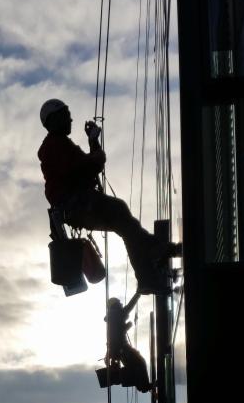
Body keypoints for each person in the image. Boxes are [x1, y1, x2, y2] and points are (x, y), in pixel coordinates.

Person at [37, 98, 181, 292]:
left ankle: (150, 268)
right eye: (66, 116)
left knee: (125, 226)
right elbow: (86, 166)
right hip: (76, 204)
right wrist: (94, 147)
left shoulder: (61, 145)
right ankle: (156, 254)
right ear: (54, 120)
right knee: (120, 213)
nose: (71, 120)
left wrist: (93, 143)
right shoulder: (53, 147)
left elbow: (91, 166)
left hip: (78, 206)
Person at [103, 292, 151, 392]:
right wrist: (138, 293)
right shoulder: (117, 313)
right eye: (119, 303)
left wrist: (125, 327)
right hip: (123, 349)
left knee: (134, 367)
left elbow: (114, 335)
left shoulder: (112, 318)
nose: (121, 304)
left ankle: (143, 386)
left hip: (120, 351)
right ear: (115, 305)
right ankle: (144, 386)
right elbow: (130, 306)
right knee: (140, 363)